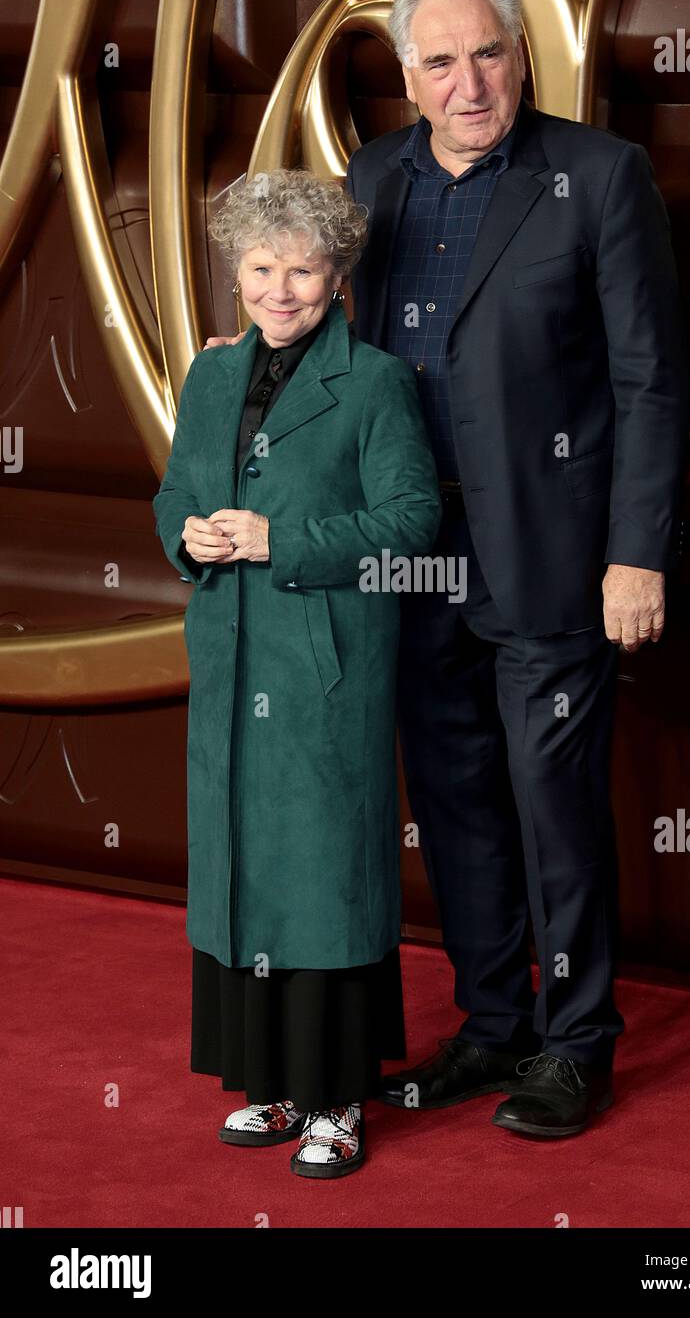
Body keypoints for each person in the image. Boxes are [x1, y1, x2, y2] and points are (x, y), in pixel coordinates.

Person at [208, 0, 690, 1141]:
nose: (469, 81)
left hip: (551, 549)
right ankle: (491, 1026)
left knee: (552, 803)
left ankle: (575, 1044)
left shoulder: (600, 174)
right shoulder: (375, 176)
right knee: (459, 796)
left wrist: (637, 553)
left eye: (489, 53)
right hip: (408, 551)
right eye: (440, 61)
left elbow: (650, 377)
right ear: (408, 75)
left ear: (520, 55)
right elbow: (336, 351)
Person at [153, 167, 441, 1176]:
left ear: (339, 276)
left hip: (325, 668)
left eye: (304, 270)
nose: (282, 289)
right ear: (237, 271)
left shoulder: (375, 384)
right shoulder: (211, 375)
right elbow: (173, 500)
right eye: (263, 267)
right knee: (244, 875)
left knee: (324, 881)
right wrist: (186, 535)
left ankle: (338, 1103)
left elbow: (412, 525)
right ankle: (271, 1089)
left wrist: (282, 539)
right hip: (229, 665)